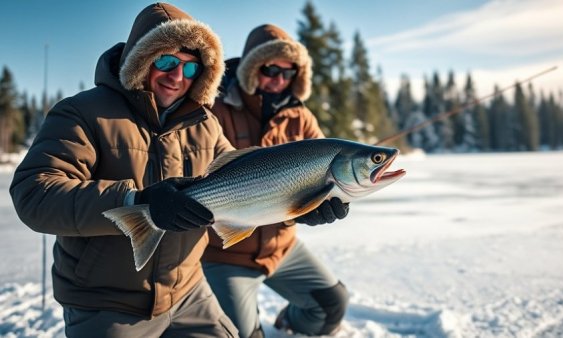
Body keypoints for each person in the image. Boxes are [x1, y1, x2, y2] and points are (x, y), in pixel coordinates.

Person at [9, 3, 239, 337]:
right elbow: (35, 193)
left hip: (188, 290)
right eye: (167, 61)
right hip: (106, 300)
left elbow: (239, 184)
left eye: (190, 69)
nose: (177, 77)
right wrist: (137, 201)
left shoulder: (206, 124)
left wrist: (301, 198)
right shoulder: (82, 112)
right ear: (142, 58)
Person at [202, 24, 350, 338]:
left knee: (332, 306)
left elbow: (329, 175)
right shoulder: (213, 107)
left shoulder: (301, 117)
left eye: (289, 73)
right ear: (252, 69)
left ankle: (288, 322)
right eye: (271, 70)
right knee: (240, 334)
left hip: (282, 247)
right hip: (223, 253)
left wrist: (326, 203)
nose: (279, 80)